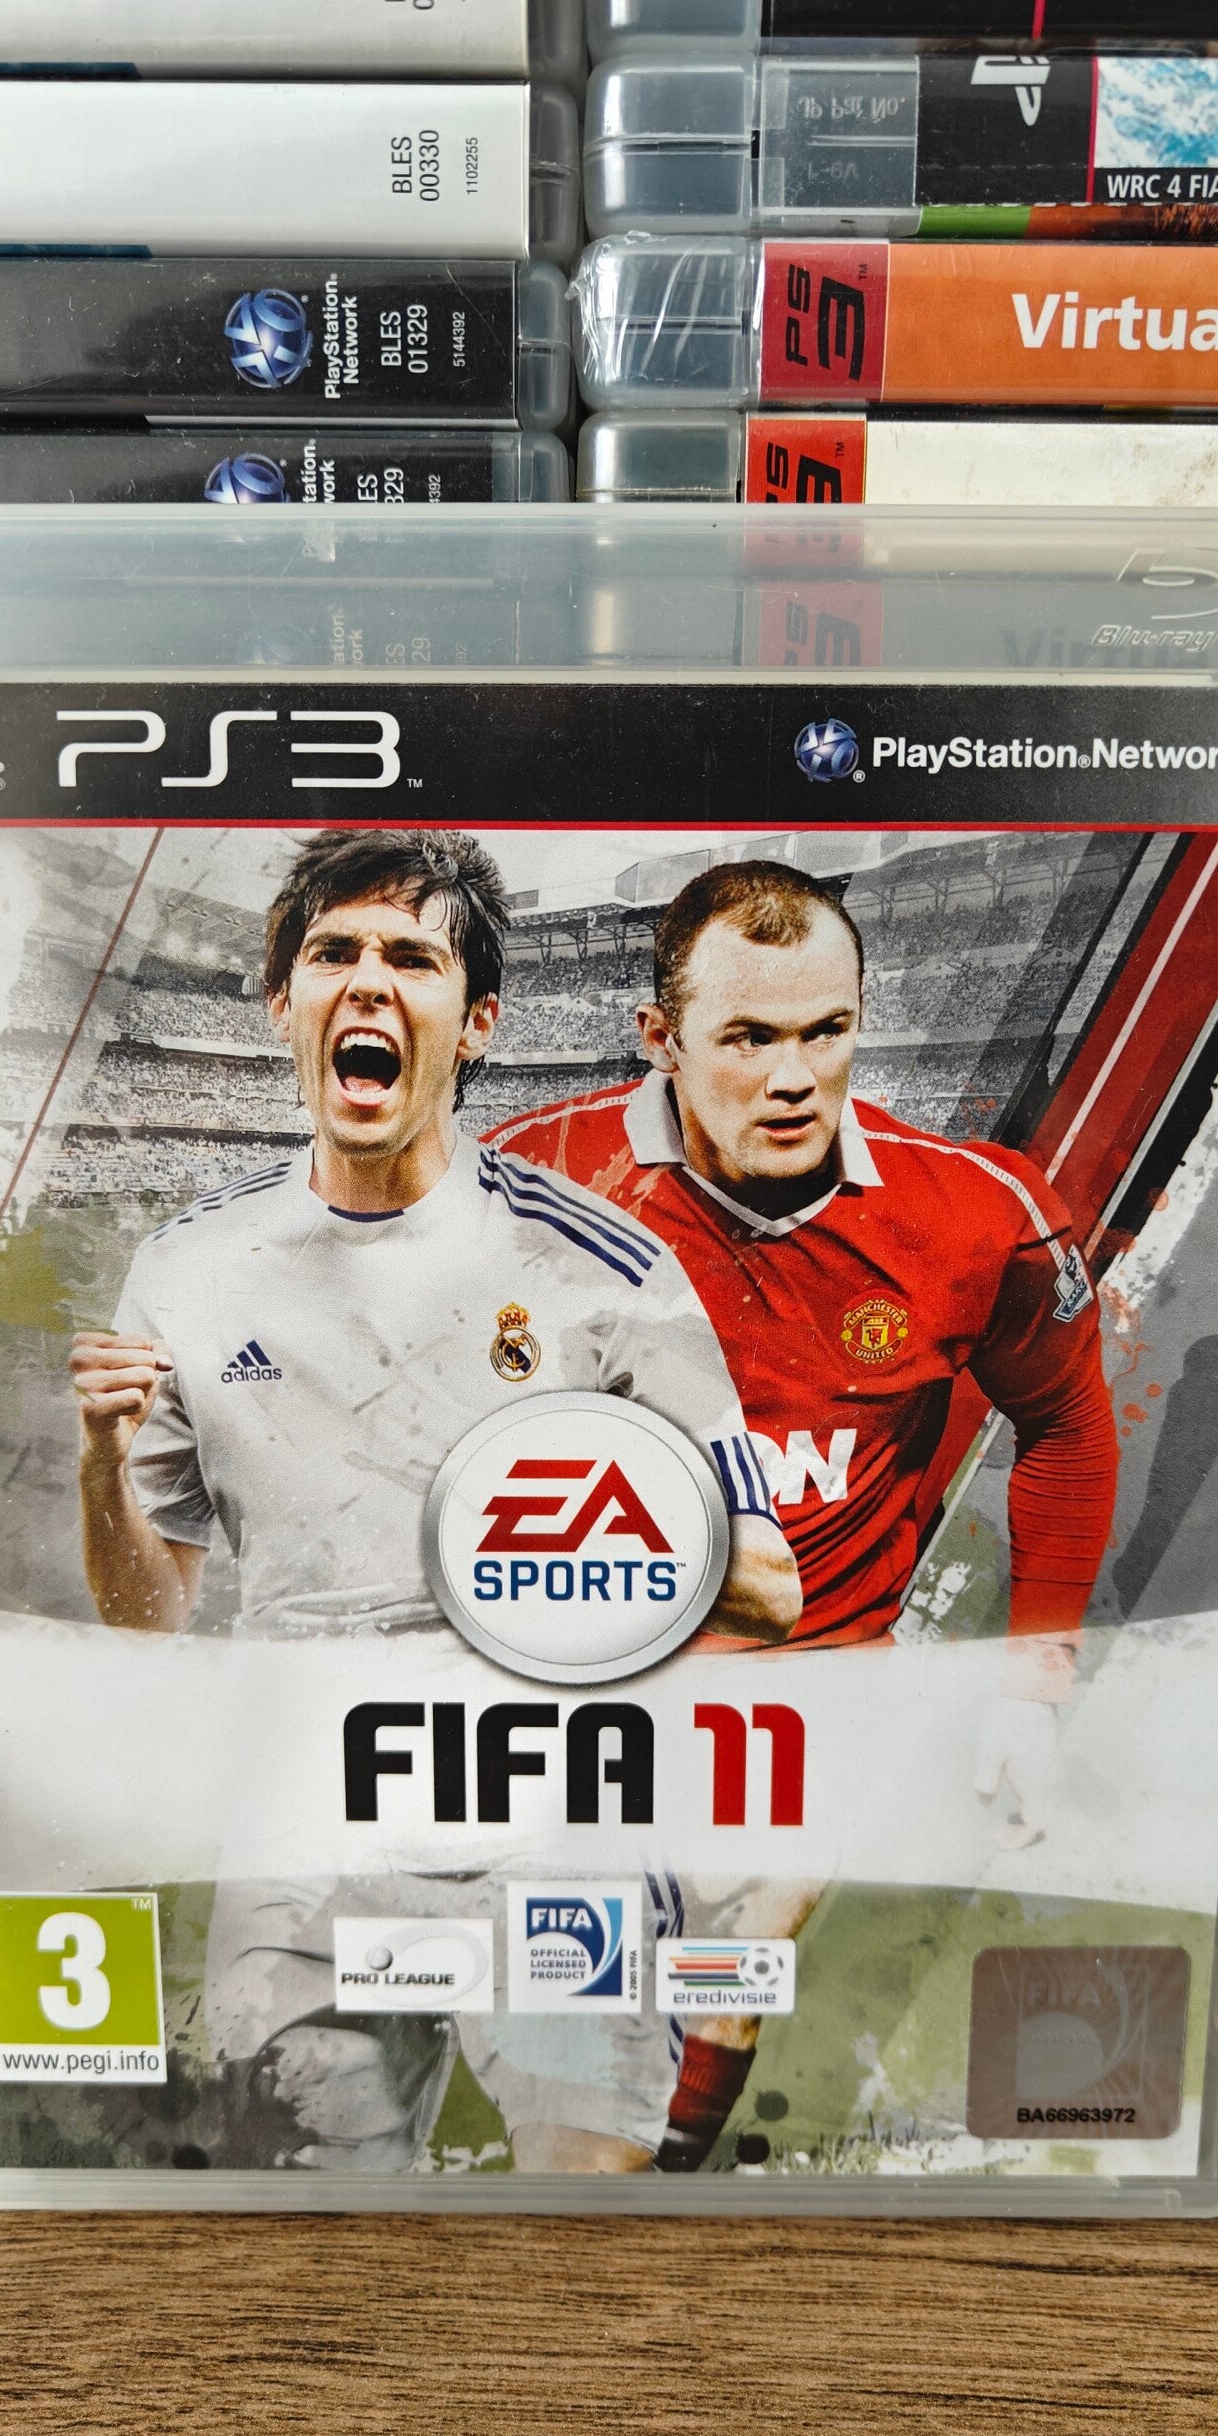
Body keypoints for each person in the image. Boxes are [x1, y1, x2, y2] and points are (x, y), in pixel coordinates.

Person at [68, 828, 801, 2172]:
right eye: (333, 953)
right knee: (301, 2225)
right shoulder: (187, 1273)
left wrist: (540, 1524)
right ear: (283, 1004)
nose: (369, 981)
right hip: (308, 1832)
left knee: (590, 2201)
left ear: (476, 1024)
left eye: (412, 956)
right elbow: (147, 1616)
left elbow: (769, 1582)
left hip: (554, 1818)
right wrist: (101, 1462)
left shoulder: (603, 1271)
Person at [490, 858, 1119, 2166]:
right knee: (577, 2042)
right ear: (661, 1039)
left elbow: (1065, 1426)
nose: (792, 1077)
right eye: (748, 1038)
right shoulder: (527, 1187)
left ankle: (653, 2188)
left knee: (718, 1995)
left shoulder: (977, 1217)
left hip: (818, 1685)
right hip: (591, 1685)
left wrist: (1031, 1685)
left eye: (825, 1032)